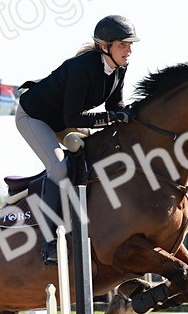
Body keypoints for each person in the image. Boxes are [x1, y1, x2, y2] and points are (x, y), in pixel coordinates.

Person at [15, 15, 139, 262]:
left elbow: (115, 106)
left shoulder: (120, 68)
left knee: (100, 153)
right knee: (60, 168)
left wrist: (130, 114)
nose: (129, 50)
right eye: (122, 45)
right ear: (105, 46)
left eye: (130, 44)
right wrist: (111, 117)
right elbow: (74, 116)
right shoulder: (82, 68)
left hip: (63, 120)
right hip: (35, 117)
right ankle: (49, 242)